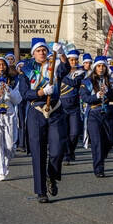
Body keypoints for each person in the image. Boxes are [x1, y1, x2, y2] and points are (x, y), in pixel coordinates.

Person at [18, 38, 70, 203]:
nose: (42, 53)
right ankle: (41, 192)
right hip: (36, 111)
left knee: (58, 150)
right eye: (38, 50)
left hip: (55, 110)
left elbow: (66, 68)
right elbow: (25, 93)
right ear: (33, 54)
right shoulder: (26, 70)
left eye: (44, 50)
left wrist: (61, 54)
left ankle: (51, 176)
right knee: (38, 152)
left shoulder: (53, 65)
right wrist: (41, 92)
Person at [80, 56, 113, 178]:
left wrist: (108, 91)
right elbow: (85, 98)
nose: (101, 68)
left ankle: (102, 154)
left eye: (103, 66)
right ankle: (99, 169)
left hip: (108, 114)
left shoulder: (112, 81)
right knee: (97, 142)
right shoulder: (86, 82)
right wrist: (96, 95)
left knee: (109, 141)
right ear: (94, 67)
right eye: (98, 66)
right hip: (94, 113)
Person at [60, 49, 85, 166]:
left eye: (75, 60)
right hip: (61, 106)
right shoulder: (60, 70)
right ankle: (66, 155)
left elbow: (75, 83)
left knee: (74, 133)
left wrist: (61, 76)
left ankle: (70, 150)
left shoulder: (81, 72)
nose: (74, 62)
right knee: (64, 133)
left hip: (74, 106)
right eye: (71, 60)